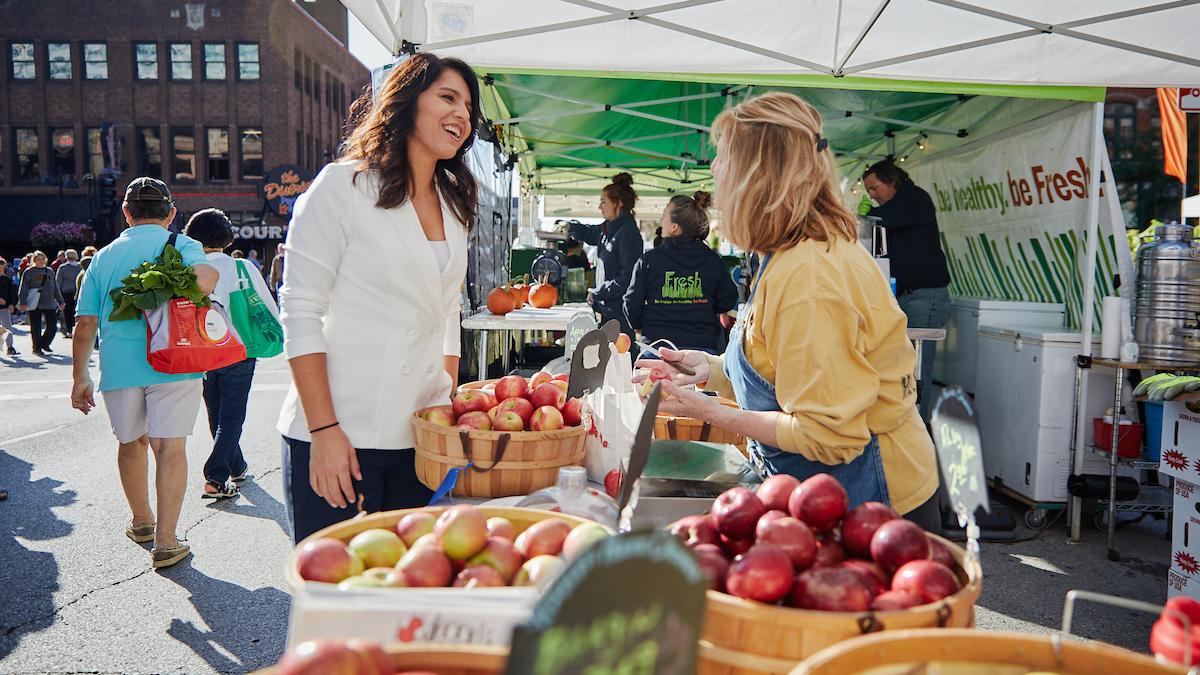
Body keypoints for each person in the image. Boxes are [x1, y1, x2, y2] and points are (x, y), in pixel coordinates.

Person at [634, 93, 939, 529]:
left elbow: (829, 434)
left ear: (756, 177)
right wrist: (710, 370)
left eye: (722, 158)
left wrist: (707, 411)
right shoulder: (792, 254)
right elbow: (784, 368)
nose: (714, 170)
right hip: (834, 499)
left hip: (874, 510)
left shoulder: (808, 278)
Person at [277, 52, 480, 543]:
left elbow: (447, 308)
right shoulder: (341, 187)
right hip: (340, 433)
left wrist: (445, 394)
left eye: (469, 109)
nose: (462, 116)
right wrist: (324, 430)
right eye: (448, 98)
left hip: (419, 440)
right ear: (407, 101)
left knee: (402, 595)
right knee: (338, 598)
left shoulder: (454, 206)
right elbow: (300, 311)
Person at [72, 177, 220, 569]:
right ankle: (167, 542)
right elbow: (207, 280)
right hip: (174, 361)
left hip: (120, 367)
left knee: (131, 442)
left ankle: (141, 522)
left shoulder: (102, 257)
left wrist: (80, 377)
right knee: (170, 448)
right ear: (171, 213)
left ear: (126, 213)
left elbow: (85, 324)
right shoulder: (181, 244)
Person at [185, 209, 280, 500]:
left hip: (202, 352)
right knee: (232, 415)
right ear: (227, 237)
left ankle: (237, 466)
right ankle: (215, 475)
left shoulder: (189, 269)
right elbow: (266, 304)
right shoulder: (242, 268)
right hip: (239, 350)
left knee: (216, 412)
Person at [864, 159, 951, 418]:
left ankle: (919, 430)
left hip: (925, 296)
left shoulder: (913, 199)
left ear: (891, 181)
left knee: (916, 370)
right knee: (905, 368)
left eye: (874, 187)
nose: (872, 195)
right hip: (908, 297)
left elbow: (876, 221)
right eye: (868, 190)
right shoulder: (896, 207)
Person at [623, 191, 738, 354]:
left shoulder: (649, 261)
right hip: (702, 350)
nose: (661, 221)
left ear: (675, 227)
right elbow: (727, 300)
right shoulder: (712, 260)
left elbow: (631, 304)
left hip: (657, 349)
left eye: (664, 216)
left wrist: (642, 326)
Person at [570, 173, 644, 336]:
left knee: (619, 359)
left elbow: (628, 279)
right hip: (607, 312)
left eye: (604, 202)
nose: (600, 207)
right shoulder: (607, 229)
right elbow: (589, 233)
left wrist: (599, 292)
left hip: (620, 316)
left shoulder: (628, 234)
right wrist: (569, 226)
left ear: (619, 204)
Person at [17, 251, 65, 356]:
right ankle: (37, 347)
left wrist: (60, 301)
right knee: (35, 327)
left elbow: (55, 288)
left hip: (49, 302)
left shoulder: (50, 271)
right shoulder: (29, 272)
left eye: (42, 259)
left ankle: (44, 343)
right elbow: (23, 288)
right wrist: (23, 302)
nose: (41, 261)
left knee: (52, 326)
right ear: (34, 260)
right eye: (38, 259)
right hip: (35, 303)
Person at [57, 249, 82, 338]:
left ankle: (69, 331)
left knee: (67, 312)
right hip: (78, 291)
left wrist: (57, 296)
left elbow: (58, 282)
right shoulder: (81, 267)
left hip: (66, 292)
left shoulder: (63, 268)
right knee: (76, 311)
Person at [0, 257, 15, 355]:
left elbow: (11, 293)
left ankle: (10, 347)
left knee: (7, 327)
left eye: (2, 267)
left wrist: (11, 304)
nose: (1, 269)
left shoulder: (7, 279)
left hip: (4, 308)